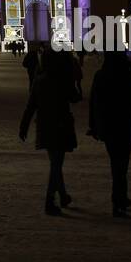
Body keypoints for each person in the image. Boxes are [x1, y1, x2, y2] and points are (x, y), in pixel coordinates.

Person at [88, 50, 131, 217]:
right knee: (122, 165)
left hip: (108, 127)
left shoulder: (100, 75)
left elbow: (94, 102)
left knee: (116, 163)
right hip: (124, 125)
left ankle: (119, 198)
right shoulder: (127, 75)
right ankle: (119, 198)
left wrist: (93, 125)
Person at [19, 48, 80, 214]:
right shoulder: (63, 79)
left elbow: (31, 105)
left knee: (55, 162)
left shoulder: (39, 80)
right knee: (56, 164)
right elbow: (75, 97)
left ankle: (63, 195)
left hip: (45, 125)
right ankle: (49, 200)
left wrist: (23, 126)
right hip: (60, 124)